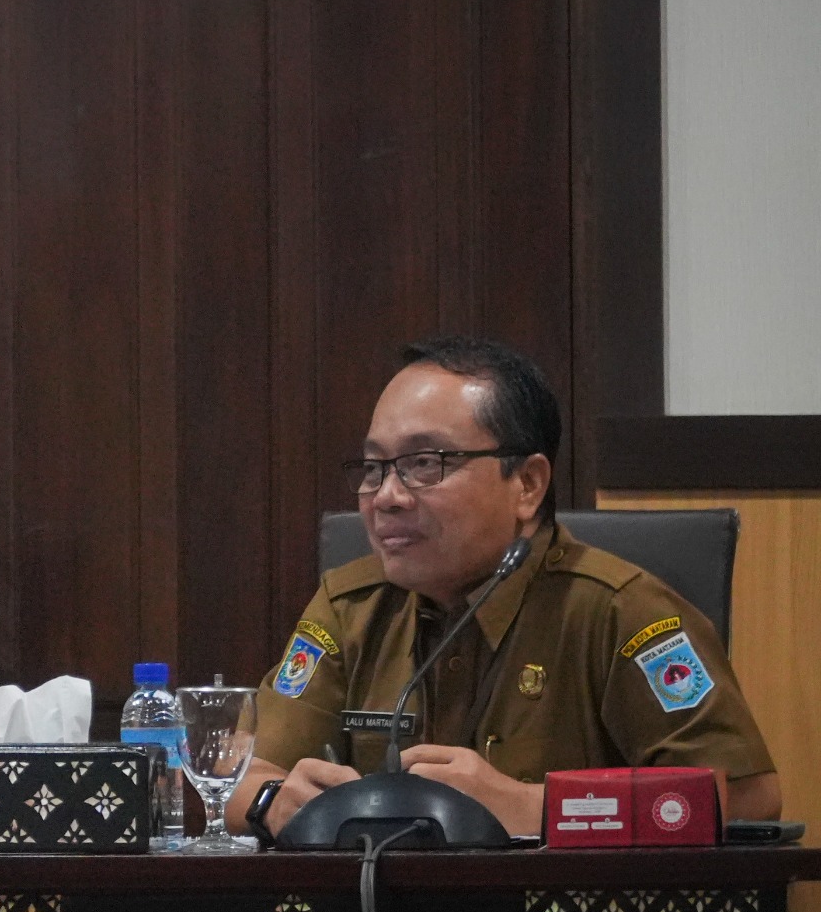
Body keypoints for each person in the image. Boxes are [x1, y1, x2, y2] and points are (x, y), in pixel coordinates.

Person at [230, 337, 777, 840]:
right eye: (374, 468)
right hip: (381, 907)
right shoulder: (349, 606)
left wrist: (534, 807)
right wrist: (273, 801)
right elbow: (235, 777)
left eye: (425, 463)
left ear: (527, 484)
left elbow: (747, 798)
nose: (387, 496)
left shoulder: (622, 613)